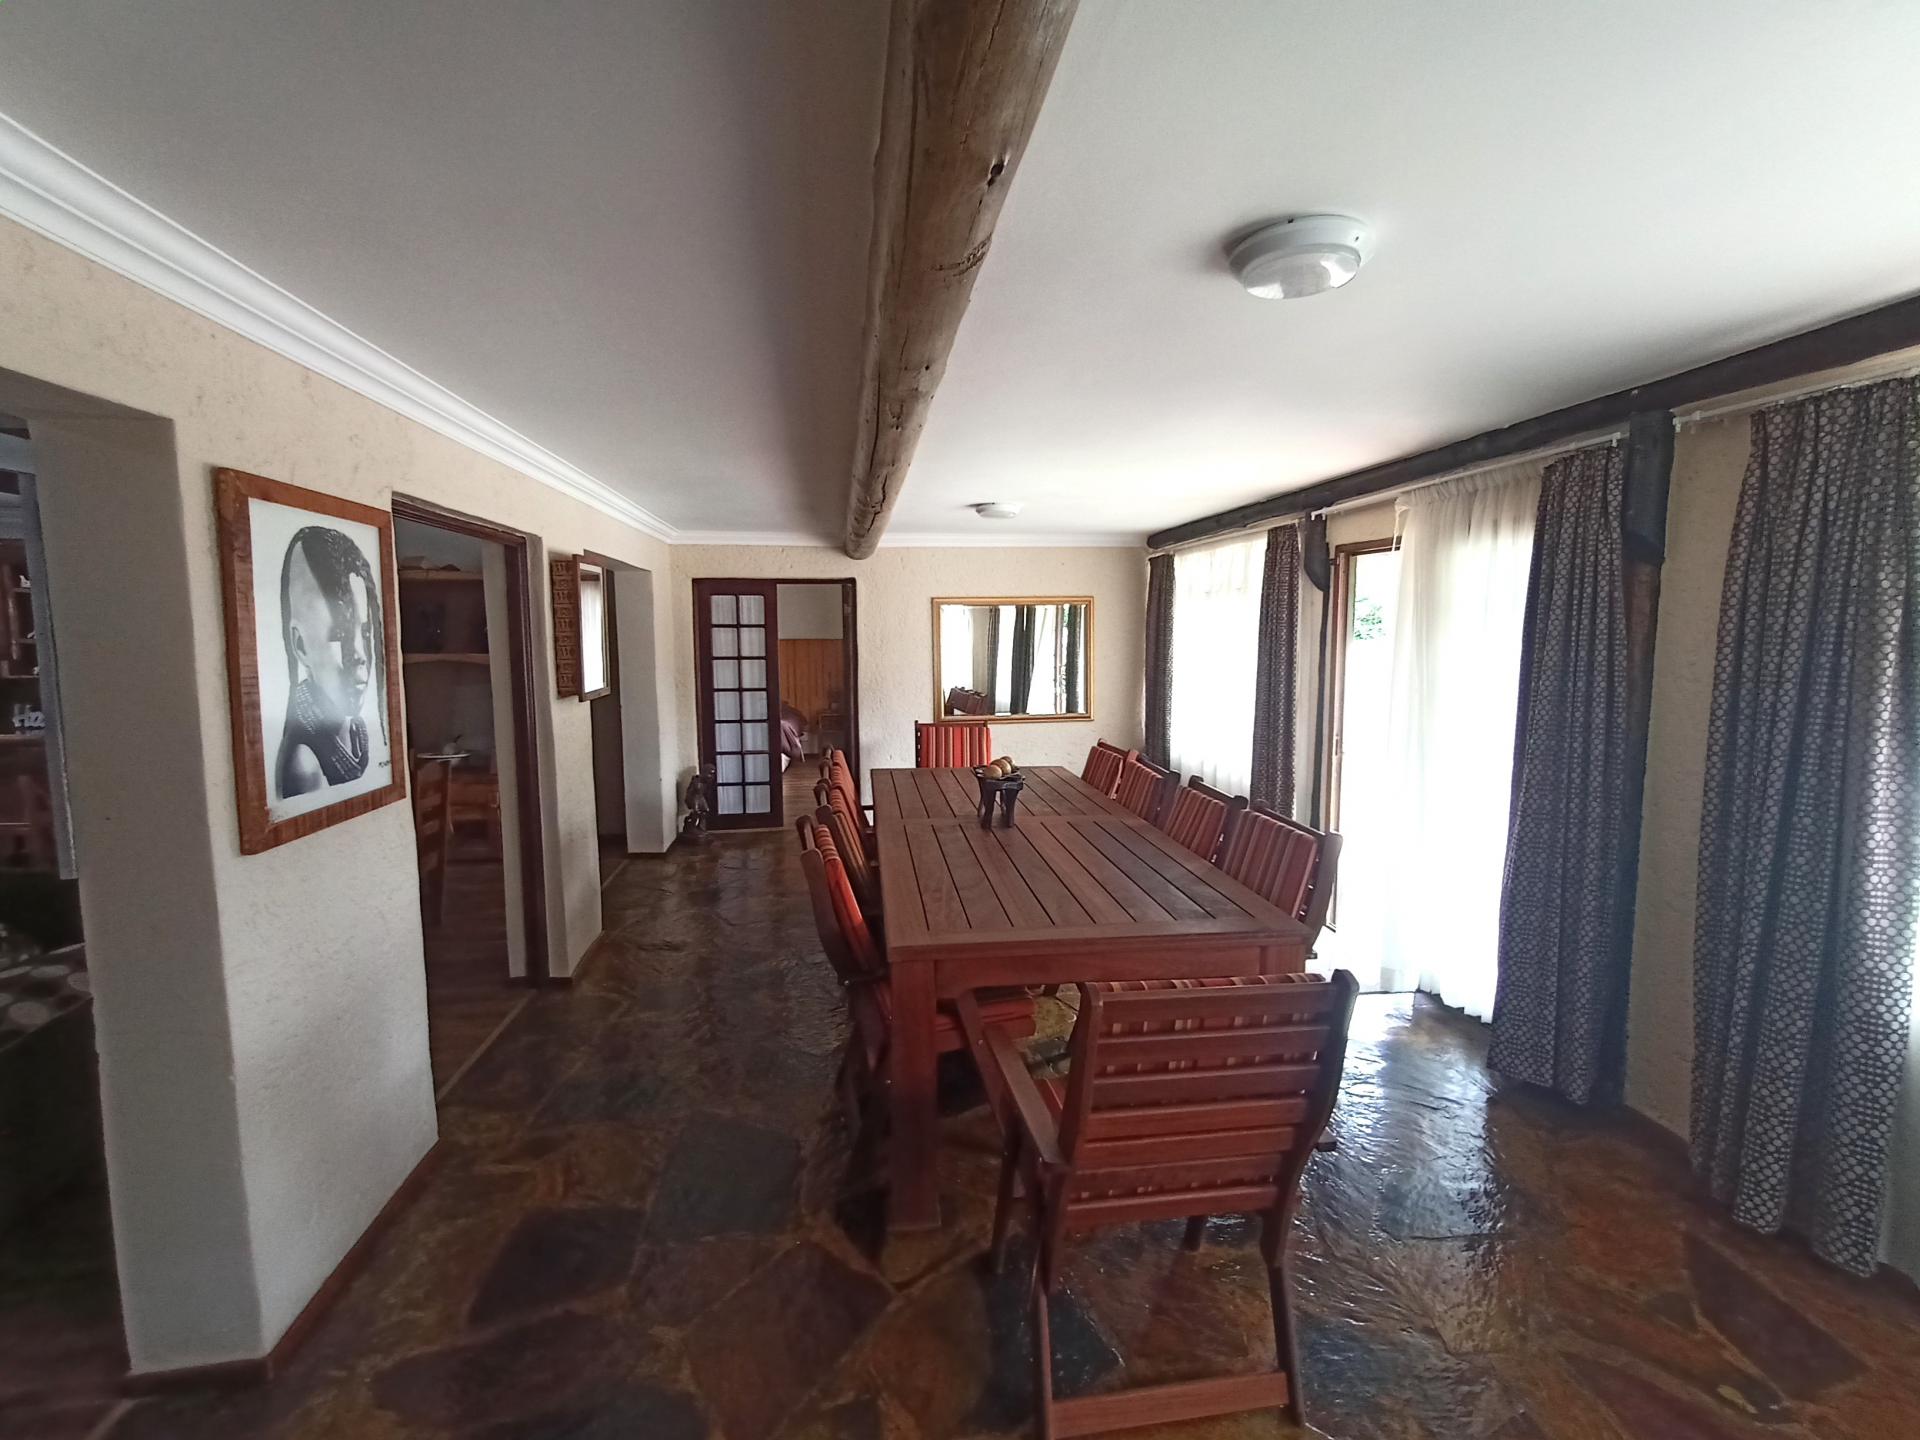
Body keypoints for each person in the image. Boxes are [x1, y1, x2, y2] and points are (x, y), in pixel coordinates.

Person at [275, 525, 383, 798]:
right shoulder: (305, 765)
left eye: (366, 632)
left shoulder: (355, 730)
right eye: (340, 635)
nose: (359, 654)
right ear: (300, 646)